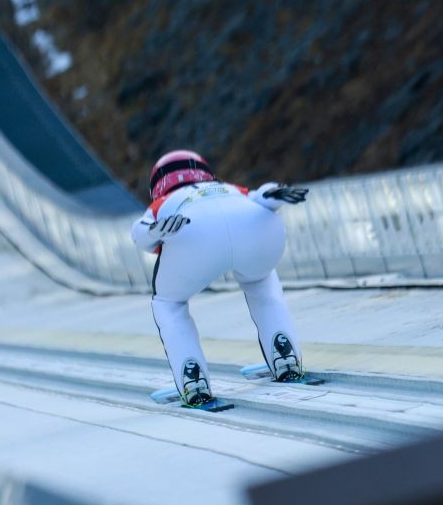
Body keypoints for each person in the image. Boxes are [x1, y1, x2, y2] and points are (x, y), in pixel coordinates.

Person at [131, 150, 310, 407]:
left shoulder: (163, 202)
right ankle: (285, 356)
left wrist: (153, 232)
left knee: (169, 304)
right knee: (261, 281)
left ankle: (193, 379)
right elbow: (260, 195)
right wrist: (275, 194)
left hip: (192, 238)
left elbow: (140, 234)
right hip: (253, 228)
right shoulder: (228, 188)